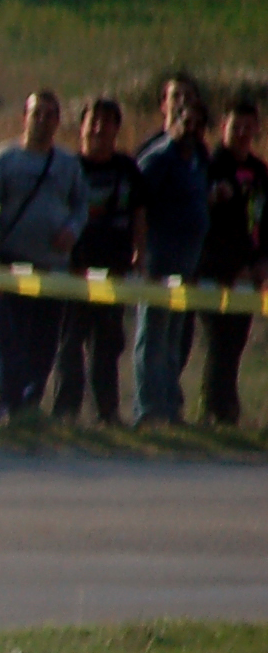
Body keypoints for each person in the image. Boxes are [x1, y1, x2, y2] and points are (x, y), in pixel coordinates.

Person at [0, 88, 87, 419]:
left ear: (58, 121)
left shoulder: (68, 164)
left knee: (45, 343)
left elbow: (81, 205)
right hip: (10, 264)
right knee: (10, 342)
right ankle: (9, 408)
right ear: (24, 117)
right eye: (36, 113)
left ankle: (31, 405)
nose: (42, 120)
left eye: (49, 115)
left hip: (53, 267)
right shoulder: (2, 160)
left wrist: (72, 230)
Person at [131, 77, 211, 426]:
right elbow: (138, 205)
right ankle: (148, 409)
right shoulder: (158, 157)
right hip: (158, 259)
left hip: (187, 261)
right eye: (185, 123)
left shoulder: (199, 158)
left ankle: (170, 406)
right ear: (174, 121)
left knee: (175, 338)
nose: (191, 130)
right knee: (152, 335)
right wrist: (141, 252)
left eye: (197, 124)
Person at [54, 97, 138, 424]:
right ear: (81, 127)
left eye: (107, 122)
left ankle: (108, 414)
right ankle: (65, 413)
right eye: (93, 121)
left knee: (108, 345)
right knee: (69, 344)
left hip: (115, 269)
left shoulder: (127, 169)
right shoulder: (68, 167)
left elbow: (141, 213)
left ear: (117, 129)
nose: (100, 129)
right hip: (74, 269)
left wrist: (140, 253)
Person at [194, 98, 264, 426]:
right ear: (223, 127)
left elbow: (262, 223)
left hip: (249, 271)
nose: (242, 133)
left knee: (235, 343)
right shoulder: (210, 166)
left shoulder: (260, 172)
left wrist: (260, 261)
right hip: (215, 270)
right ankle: (213, 409)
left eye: (248, 127)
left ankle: (227, 409)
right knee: (218, 342)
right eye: (236, 127)